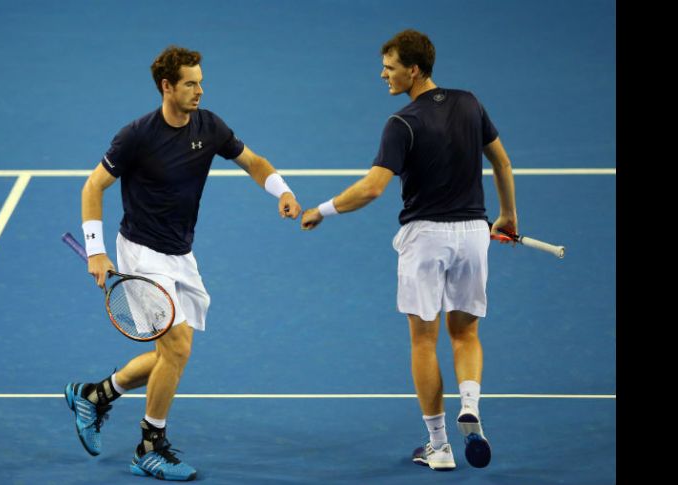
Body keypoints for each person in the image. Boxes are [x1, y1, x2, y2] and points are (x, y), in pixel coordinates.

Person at [64, 45, 301, 481]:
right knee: (176, 348)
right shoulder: (136, 135)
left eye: (201, 81)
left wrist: (281, 190)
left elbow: (253, 162)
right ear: (167, 87)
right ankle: (149, 446)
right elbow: (92, 187)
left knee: (171, 354)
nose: (199, 90)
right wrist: (96, 249)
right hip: (140, 252)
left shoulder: (209, 126)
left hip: (180, 253)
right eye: (190, 83)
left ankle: (94, 396)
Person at [300, 29, 517, 471]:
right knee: (466, 334)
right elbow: (501, 161)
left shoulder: (402, 123)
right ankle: (470, 404)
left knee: (423, 340)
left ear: (413, 69)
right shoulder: (471, 103)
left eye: (390, 66)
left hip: (426, 240)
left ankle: (438, 445)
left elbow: (373, 189)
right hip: (474, 234)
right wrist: (508, 215)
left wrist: (322, 210)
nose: (383, 74)